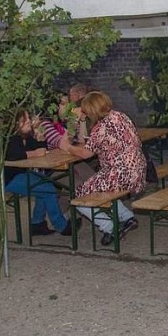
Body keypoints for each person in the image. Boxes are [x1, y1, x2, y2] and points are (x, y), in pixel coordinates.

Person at [59, 91, 145, 245]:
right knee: (99, 187)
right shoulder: (120, 116)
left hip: (120, 174)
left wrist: (68, 146)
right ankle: (127, 217)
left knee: (78, 196)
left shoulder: (101, 128)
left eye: (85, 110)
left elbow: (85, 153)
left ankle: (110, 227)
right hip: (137, 170)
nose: (83, 112)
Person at [0, 110, 74, 236]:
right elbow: (13, 155)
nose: (29, 121)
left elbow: (41, 149)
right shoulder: (8, 138)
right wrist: (34, 153)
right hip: (3, 179)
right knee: (48, 189)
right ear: (15, 124)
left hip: (17, 174)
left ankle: (37, 224)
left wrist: (41, 136)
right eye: (25, 119)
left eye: (28, 118)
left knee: (48, 183)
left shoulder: (25, 137)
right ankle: (62, 226)